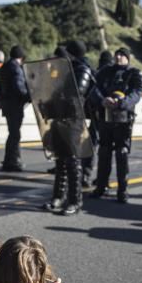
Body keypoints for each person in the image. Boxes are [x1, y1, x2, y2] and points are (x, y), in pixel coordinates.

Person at [43, 44, 95, 216]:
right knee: (60, 161)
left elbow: (76, 93)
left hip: (73, 119)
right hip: (59, 118)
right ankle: (58, 197)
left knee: (73, 161)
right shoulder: (60, 72)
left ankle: (75, 201)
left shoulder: (81, 70)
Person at [90, 47, 142, 203]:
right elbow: (94, 88)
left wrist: (122, 103)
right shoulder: (105, 71)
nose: (118, 57)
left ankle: (123, 189)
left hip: (124, 119)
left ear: (128, 58)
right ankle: (101, 187)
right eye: (117, 54)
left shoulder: (134, 73)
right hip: (105, 117)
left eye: (122, 55)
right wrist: (102, 100)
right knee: (104, 152)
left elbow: (137, 92)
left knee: (122, 153)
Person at [0, 45, 29, 172]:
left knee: (12, 132)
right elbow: (19, 88)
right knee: (15, 134)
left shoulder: (4, 67)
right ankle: (13, 161)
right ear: (21, 57)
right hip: (15, 104)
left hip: (6, 103)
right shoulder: (16, 69)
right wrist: (28, 97)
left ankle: (8, 160)